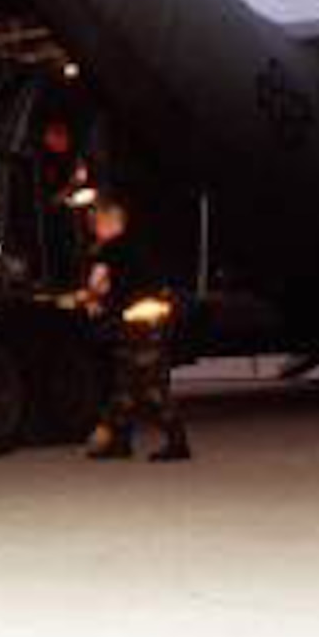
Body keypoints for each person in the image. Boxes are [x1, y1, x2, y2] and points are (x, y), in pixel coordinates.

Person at [77, 194, 191, 462]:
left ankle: (177, 443)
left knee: (149, 386)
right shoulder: (137, 245)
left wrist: (84, 298)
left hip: (140, 324)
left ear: (109, 221)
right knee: (125, 386)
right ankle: (121, 442)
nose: (93, 227)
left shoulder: (110, 249)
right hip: (151, 318)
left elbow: (98, 283)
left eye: (96, 222)